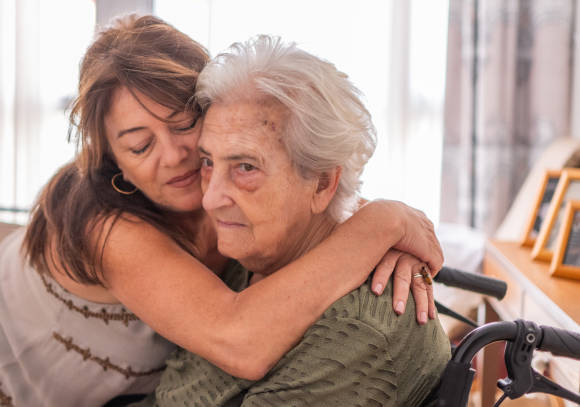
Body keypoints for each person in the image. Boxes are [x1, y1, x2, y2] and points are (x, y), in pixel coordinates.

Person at [0, 15, 443, 407]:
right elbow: (239, 339)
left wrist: (383, 226)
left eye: (184, 124)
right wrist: (381, 226)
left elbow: (312, 185)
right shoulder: (107, 226)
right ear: (113, 160)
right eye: (139, 145)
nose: (175, 156)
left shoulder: (218, 191)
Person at [141, 35, 450, 407]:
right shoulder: (250, 256)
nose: (210, 198)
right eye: (208, 162)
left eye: (245, 167)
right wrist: (385, 221)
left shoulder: (361, 332)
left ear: (321, 183)